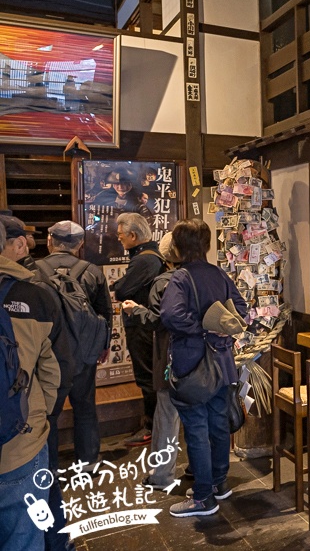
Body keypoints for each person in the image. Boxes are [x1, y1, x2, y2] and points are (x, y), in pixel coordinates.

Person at [0, 216, 77, 551]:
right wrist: (40, 413)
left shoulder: (39, 279)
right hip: (20, 437)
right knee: (23, 529)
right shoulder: (34, 294)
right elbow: (56, 366)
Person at [160, 219, 247, 517]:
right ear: (207, 245)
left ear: (178, 246)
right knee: (218, 425)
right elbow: (242, 310)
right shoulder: (219, 274)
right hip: (222, 363)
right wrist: (221, 327)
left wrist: (200, 329)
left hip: (193, 363)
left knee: (196, 428)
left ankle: (202, 498)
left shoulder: (181, 278)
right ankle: (218, 484)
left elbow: (171, 315)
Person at [40, 221, 113, 471]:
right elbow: (105, 311)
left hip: (47, 354)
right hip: (83, 353)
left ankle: (46, 466)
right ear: (80, 244)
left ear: (50, 241)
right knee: (84, 406)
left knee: (47, 413)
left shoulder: (34, 271)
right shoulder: (92, 271)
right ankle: (88, 460)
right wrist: (103, 346)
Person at [121, 233, 181, 490]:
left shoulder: (164, 282)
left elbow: (159, 320)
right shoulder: (210, 276)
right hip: (204, 360)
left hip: (171, 358)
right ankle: (211, 477)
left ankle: (161, 476)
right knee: (201, 420)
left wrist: (137, 310)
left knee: (166, 414)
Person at [110, 213, 166, 446]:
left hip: (143, 326)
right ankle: (154, 425)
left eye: (121, 235)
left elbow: (122, 291)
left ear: (133, 235)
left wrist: (118, 286)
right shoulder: (150, 256)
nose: (119, 239)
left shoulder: (144, 259)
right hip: (145, 325)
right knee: (149, 375)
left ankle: (152, 428)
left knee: (147, 377)